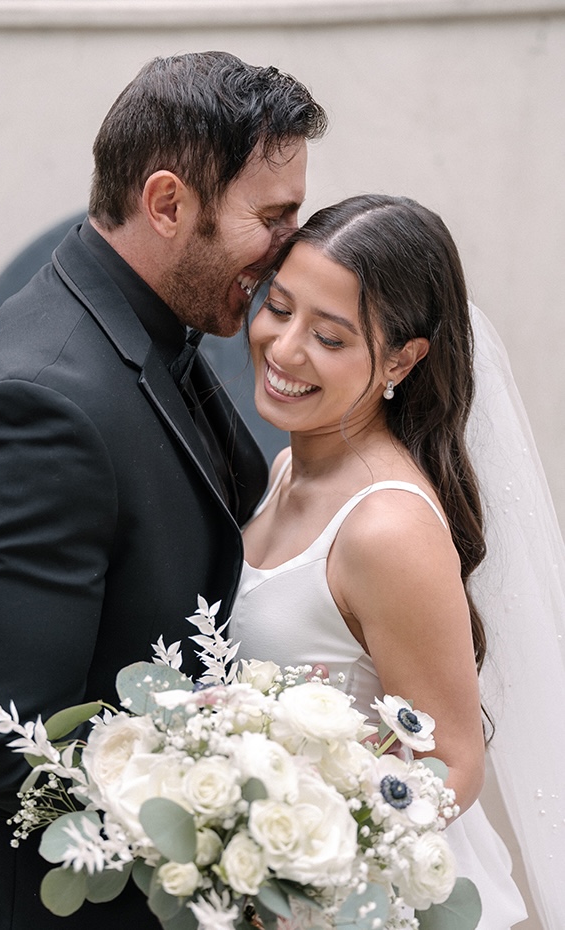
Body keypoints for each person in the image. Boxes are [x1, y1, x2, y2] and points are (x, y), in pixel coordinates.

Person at [0, 51, 327, 930]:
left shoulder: (143, 330)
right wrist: (252, 803)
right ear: (168, 204)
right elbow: (9, 744)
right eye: (275, 216)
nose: (294, 247)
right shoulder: (30, 408)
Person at [229, 195, 534, 928]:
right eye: (279, 307)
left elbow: (451, 763)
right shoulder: (282, 470)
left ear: (402, 358)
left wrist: (310, 858)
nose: (284, 348)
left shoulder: (385, 526)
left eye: (330, 338)